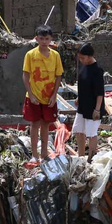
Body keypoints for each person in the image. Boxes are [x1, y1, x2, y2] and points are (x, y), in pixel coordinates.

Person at [22, 25, 64, 164]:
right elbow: (25, 76)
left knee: (46, 125)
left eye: (47, 39)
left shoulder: (55, 55)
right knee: (34, 124)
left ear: (51, 39)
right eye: (41, 38)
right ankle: (35, 155)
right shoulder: (30, 55)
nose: (44, 41)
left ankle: (45, 154)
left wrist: (54, 95)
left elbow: (58, 76)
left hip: (49, 96)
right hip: (33, 96)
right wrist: (31, 94)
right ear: (37, 38)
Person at [72, 43, 105, 161]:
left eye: (83, 58)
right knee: (79, 131)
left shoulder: (97, 70)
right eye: (79, 58)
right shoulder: (84, 67)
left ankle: (90, 158)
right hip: (83, 105)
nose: (81, 60)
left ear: (90, 56)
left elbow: (100, 92)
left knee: (91, 133)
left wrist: (97, 109)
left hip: (93, 106)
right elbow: (83, 85)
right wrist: (79, 98)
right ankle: (81, 157)